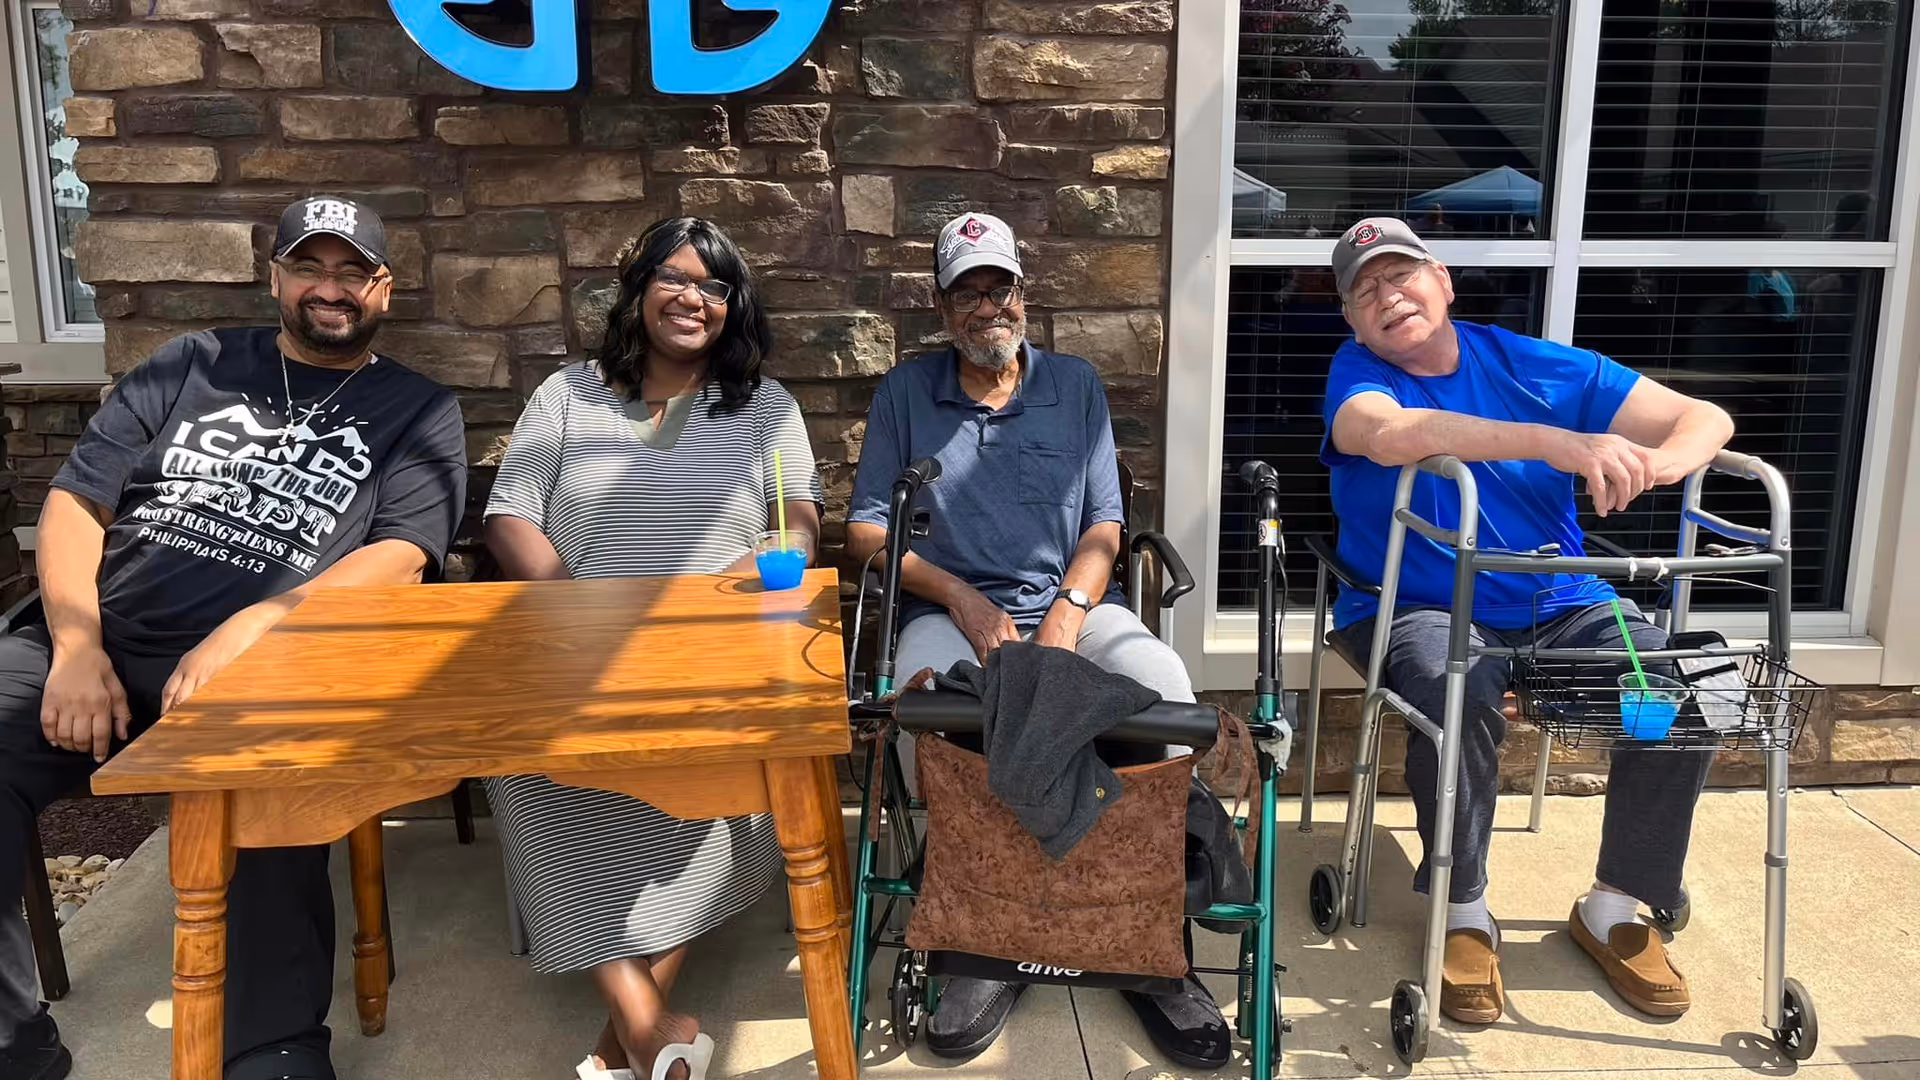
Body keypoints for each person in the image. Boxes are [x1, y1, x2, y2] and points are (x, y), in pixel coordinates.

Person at [0, 196, 468, 1080]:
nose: (330, 289)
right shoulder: (195, 361)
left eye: (351, 272)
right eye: (310, 267)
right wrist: (75, 645)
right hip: (104, 634)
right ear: (278, 277)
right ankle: (12, 1040)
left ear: (384, 289)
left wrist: (259, 622)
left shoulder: (416, 407)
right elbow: (76, 499)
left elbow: (405, 555)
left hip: (268, 663)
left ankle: (274, 1050)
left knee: (269, 799)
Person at [1319, 216, 1735, 1026]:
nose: (1387, 296)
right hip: (1417, 602)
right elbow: (1389, 433)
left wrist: (1655, 464)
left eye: (1400, 275)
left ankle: (1616, 906)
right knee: (1457, 687)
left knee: (1679, 694)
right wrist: (1559, 444)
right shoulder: (1358, 372)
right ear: (1351, 320)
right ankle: (1462, 908)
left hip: (1560, 602)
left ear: (1442, 280)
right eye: (1364, 291)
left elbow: (1704, 418)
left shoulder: (1529, 361)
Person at [845, 212, 1231, 1070]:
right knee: (929, 711)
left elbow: (1105, 520)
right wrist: (962, 602)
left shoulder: (1075, 385)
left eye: (1001, 286)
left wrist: (1065, 613)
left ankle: (1141, 936)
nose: (988, 305)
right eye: (968, 291)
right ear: (943, 307)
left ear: (1025, 291)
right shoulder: (906, 395)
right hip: (948, 613)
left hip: (1072, 604)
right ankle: (986, 936)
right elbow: (869, 533)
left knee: (1161, 688)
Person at [482, 217, 822, 1080]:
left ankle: (620, 1042)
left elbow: (800, 523)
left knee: (727, 780)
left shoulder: (765, 408)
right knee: (519, 763)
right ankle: (646, 1025)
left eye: (713, 286)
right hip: (574, 643)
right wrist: (573, 615)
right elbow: (511, 512)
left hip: (712, 647)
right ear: (636, 292)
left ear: (732, 307)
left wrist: (707, 609)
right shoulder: (567, 394)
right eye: (673, 278)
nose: (691, 298)